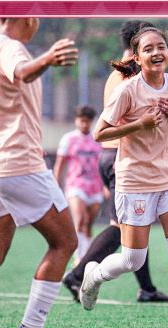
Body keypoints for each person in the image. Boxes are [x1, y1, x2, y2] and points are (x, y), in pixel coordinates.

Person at [0, 17, 79, 328]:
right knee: (65, 243)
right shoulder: (11, 48)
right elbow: (23, 72)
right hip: (17, 165)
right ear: (26, 17)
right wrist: (48, 58)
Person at [80, 26, 168, 328]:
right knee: (134, 260)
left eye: (161, 46)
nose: (156, 52)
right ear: (138, 57)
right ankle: (94, 275)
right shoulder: (128, 90)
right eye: (148, 48)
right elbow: (99, 133)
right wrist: (139, 124)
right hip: (135, 181)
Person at [62, 20, 168, 303]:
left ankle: (146, 288)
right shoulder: (131, 72)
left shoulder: (117, 72)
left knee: (134, 224)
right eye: (149, 43)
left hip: (112, 156)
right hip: (121, 155)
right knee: (120, 226)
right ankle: (76, 276)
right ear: (137, 44)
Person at [54, 105, 103, 263]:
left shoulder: (98, 139)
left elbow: (102, 163)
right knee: (80, 219)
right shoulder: (69, 139)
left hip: (95, 186)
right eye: (81, 121)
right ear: (76, 120)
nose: (84, 124)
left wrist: (106, 185)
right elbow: (60, 163)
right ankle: (79, 257)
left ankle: (87, 255)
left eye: (87, 121)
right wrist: (55, 184)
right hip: (76, 185)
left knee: (89, 223)